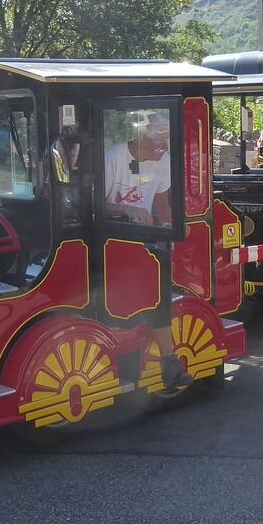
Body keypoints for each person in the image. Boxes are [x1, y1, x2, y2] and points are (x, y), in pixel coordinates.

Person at [103, 111, 192, 392]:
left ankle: (168, 361)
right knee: (155, 284)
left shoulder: (163, 162)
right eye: (160, 142)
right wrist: (125, 209)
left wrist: (174, 223)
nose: (165, 149)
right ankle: (168, 360)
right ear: (141, 137)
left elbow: (163, 202)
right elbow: (91, 206)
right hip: (109, 237)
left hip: (143, 239)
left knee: (158, 282)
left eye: (167, 142)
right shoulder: (114, 157)